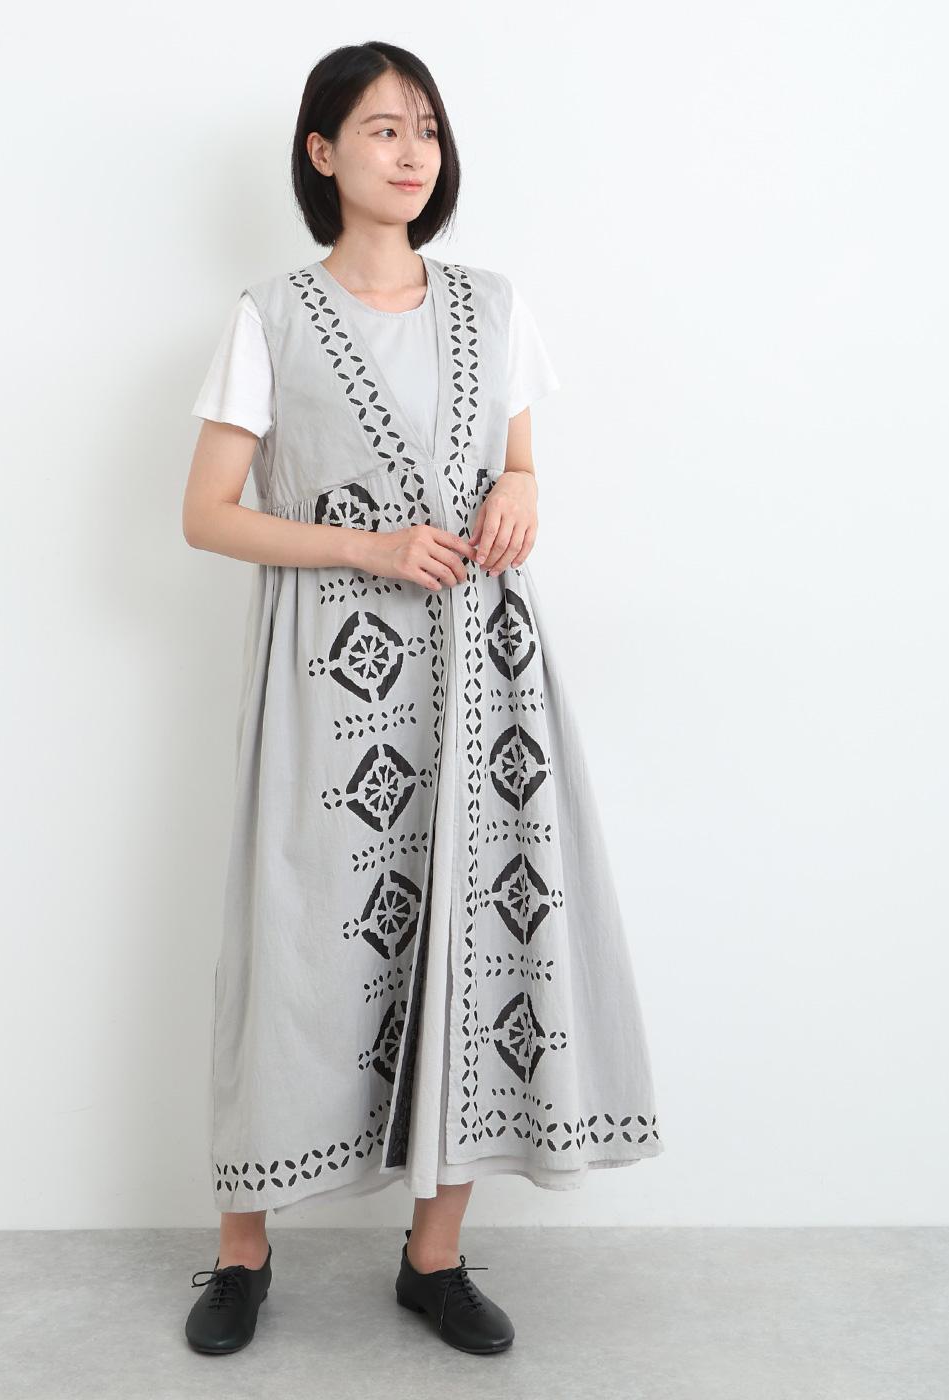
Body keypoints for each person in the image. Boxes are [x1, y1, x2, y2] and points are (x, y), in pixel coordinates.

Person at [180, 40, 663, 1359]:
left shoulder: (495, 307)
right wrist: (366, 547)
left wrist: (524, 488)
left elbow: (518, 466)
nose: (412, 153)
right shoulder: (269, 316)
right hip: (329, 683)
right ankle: (241, 1254)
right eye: (383, 129)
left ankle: (434, 1256)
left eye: (429, 131)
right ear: (321, 150)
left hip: (483, 678)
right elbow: (207, 515)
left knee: (473, 933)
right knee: (293, 950)